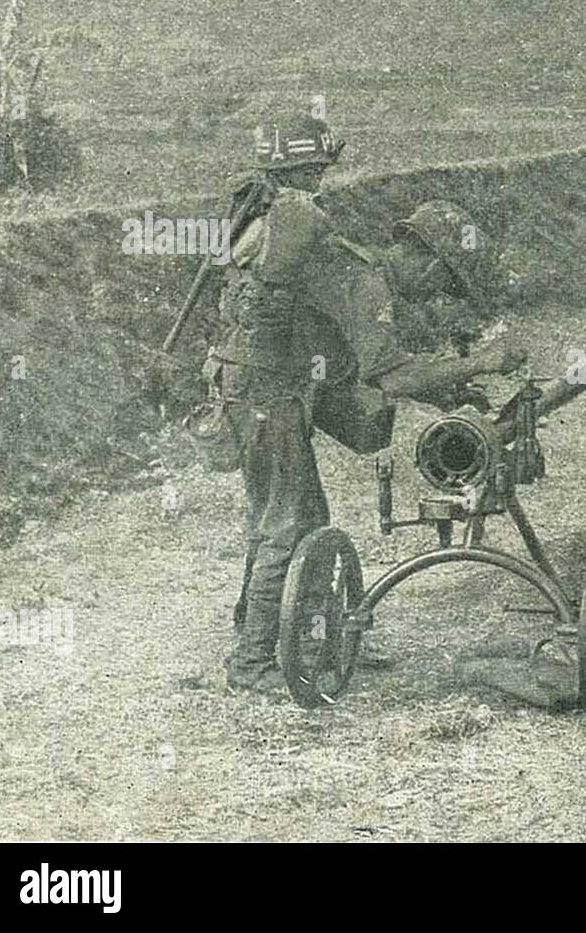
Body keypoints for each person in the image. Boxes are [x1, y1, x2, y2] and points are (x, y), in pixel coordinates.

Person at [211, 115, 521, 694]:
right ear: (428, 261)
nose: (437, 295)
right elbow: (391, 373)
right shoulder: (363, 279)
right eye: (444, 282)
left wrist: (447, 388)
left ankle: (298, 636)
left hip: (251, 390)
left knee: (281, 518)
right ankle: (252, 664)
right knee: (288, 523)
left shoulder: (326, 255)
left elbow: (354, 371)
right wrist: (479, 364)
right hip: (269, 397)